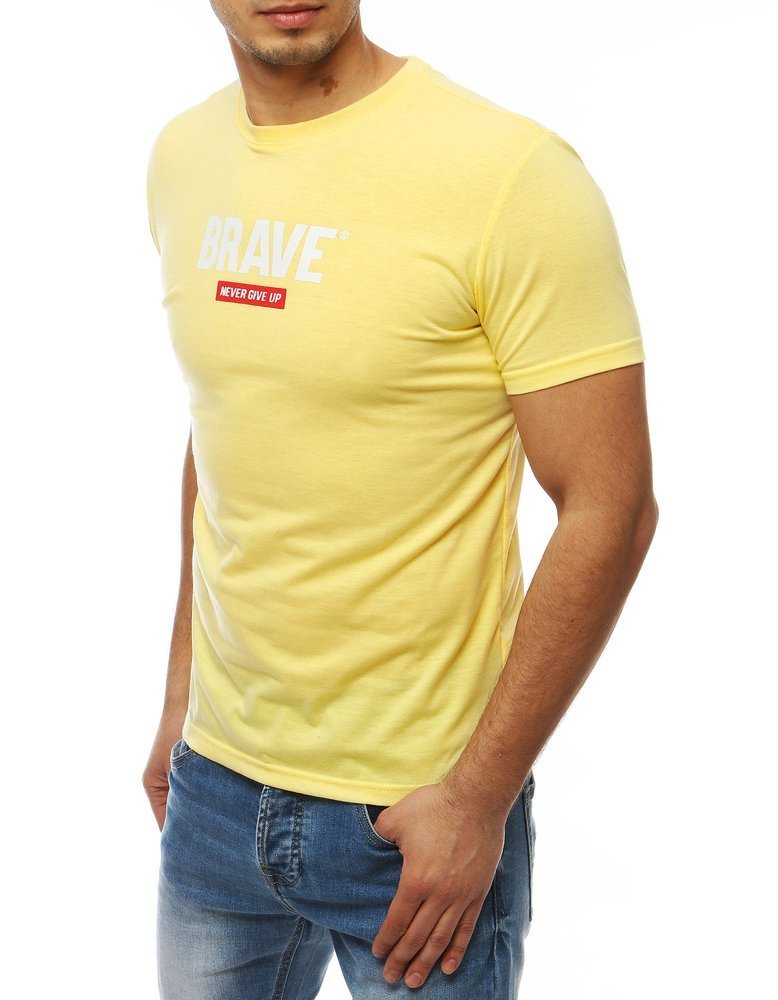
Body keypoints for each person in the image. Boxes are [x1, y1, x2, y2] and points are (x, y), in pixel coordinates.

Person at [141, 2, 659, 996]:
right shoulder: (182, 158)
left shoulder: (511, 175)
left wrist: (476, 798)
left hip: (412, 816)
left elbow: (611, 505)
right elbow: (229, 427)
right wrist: (180, 701)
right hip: (215, 794)